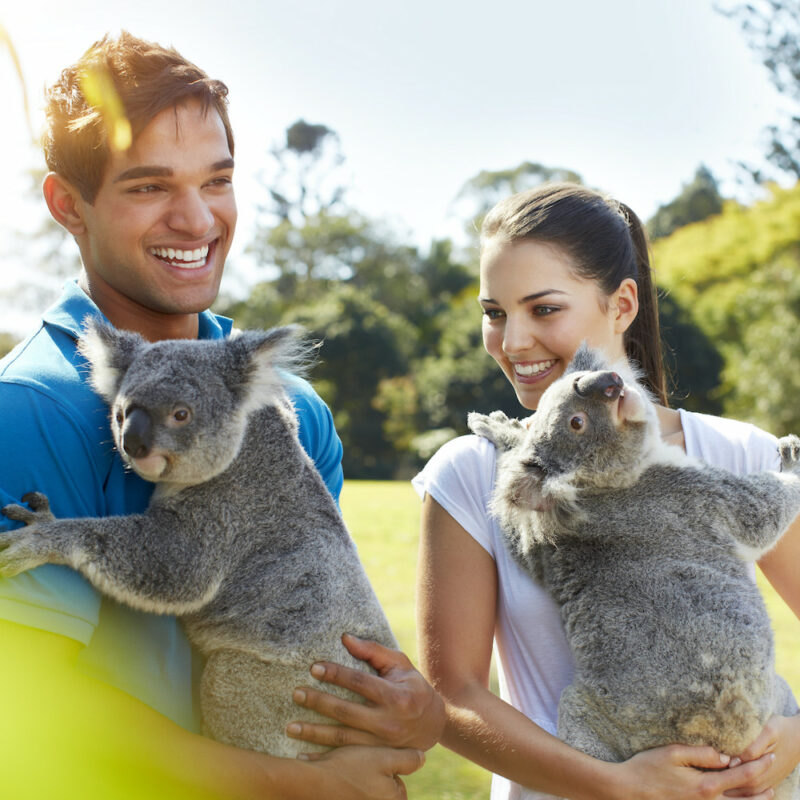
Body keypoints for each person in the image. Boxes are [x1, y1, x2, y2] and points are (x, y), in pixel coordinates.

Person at [0, 32, 442, 800]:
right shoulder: (27, 411)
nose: (196, 219)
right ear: (69, 205)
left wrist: (416, 709)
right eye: (148, 187)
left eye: (218, 180)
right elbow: (26, 700)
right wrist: (293, 787)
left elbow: (317, 621)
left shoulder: (292, 410)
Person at [413, 182, 800, 800]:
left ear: (622, 306)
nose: (512, 342)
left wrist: (791, 741)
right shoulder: (474, 474)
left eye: (543, 309)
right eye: (494, 312)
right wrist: (617, 785)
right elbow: (451, 694)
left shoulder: (739, 454)